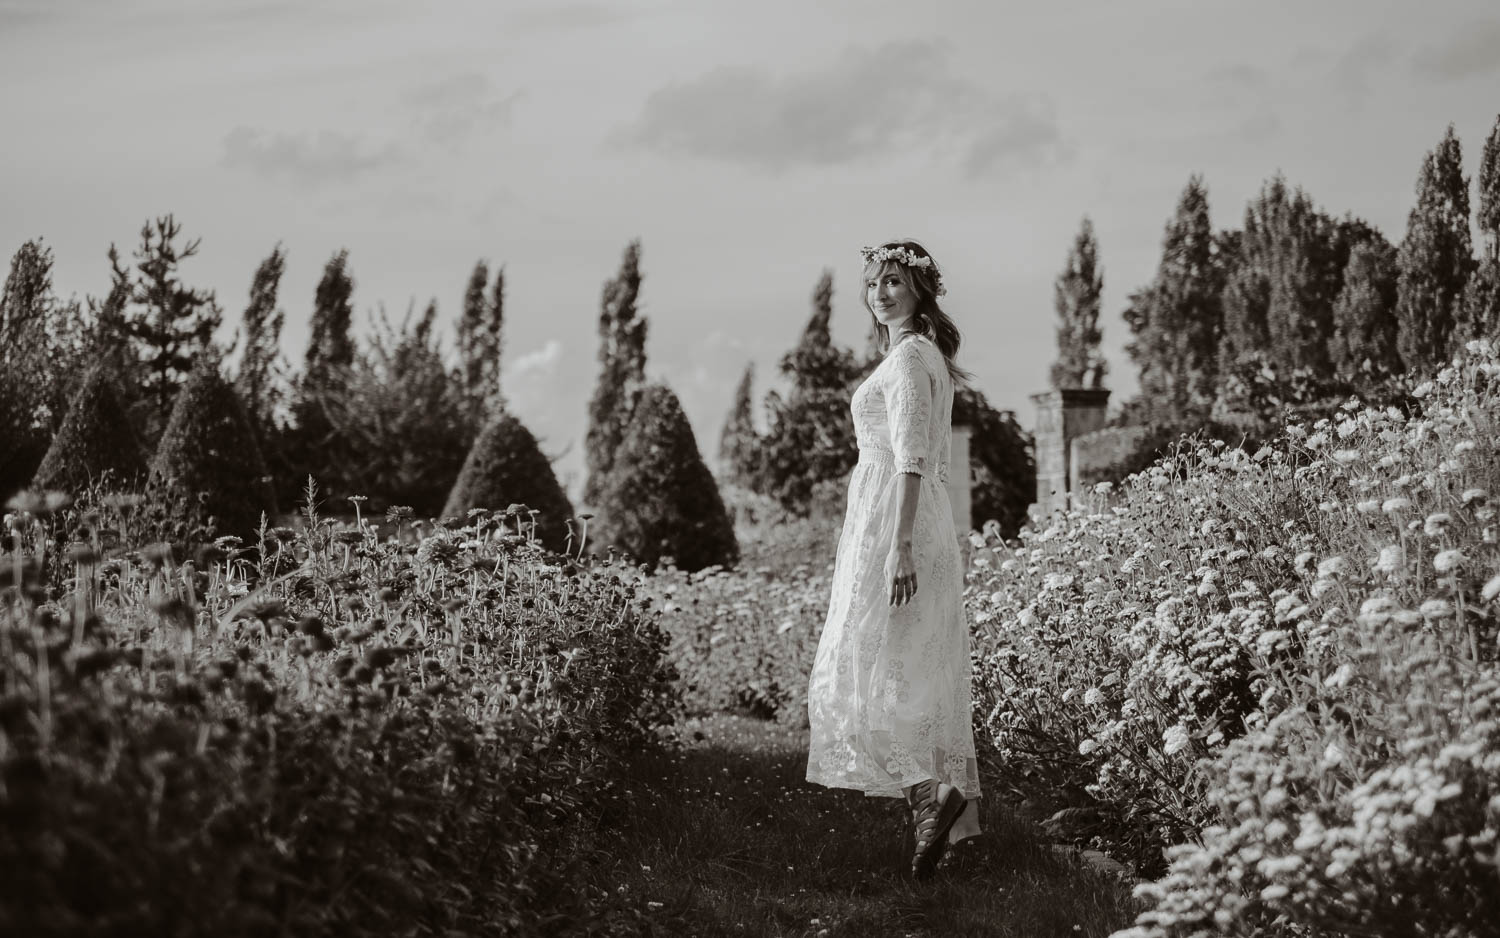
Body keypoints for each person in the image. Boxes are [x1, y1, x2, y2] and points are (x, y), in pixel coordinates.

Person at [805, 239, 982, 880]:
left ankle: (930, 802)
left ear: (919, 293)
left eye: (895, 284)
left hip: (899, 527)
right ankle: (929, 818)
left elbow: (910, 457)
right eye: (875, 283)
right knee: (903, 671)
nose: (882, 293)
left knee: (869, 670)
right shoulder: (920, 355)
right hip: (907, 521)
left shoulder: (909, 359)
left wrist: (899, 546)